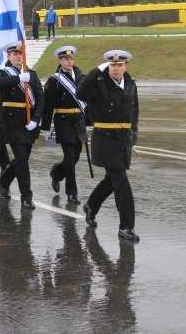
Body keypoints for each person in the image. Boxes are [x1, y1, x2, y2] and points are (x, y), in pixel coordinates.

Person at [76, 49, 140, 242]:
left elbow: (134, 113)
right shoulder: (99, 84)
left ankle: (91, 205)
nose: (116, 68)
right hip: (105, 138)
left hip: (123, 139)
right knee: (121, 181)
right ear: (107, 66)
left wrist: (134, 138)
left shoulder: (130, 84)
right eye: (112, 65)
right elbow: (80, 92)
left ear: (125, 66)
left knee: (112, 180)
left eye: (120, 65)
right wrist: (96, 70)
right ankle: (126, 227)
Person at [0, 41, 45, 209]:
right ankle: (26, 196)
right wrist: (17, 79)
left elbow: (41, 98)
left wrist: (36, 120)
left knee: (22, 158)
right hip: (12, 121)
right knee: (22, 158)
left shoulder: (31, 74)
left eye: (20, 54)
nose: (18, 56)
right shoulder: (3, 73)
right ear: (8, 56)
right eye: (15, 54)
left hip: (28, 121)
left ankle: (5, 180)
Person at [41, 46, 88, 205]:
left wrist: (89, 121)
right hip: (63, 120)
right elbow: (48, 105)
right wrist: (45, 127)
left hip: (78, 120)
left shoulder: (81, 76)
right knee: (69, 156)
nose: (69, 61)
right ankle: (72, 193)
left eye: (71, 58)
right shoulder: (54, 80)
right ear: (60, 61)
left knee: (75, 156)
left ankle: (56, 173)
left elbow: (88, 100)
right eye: (66, 59)